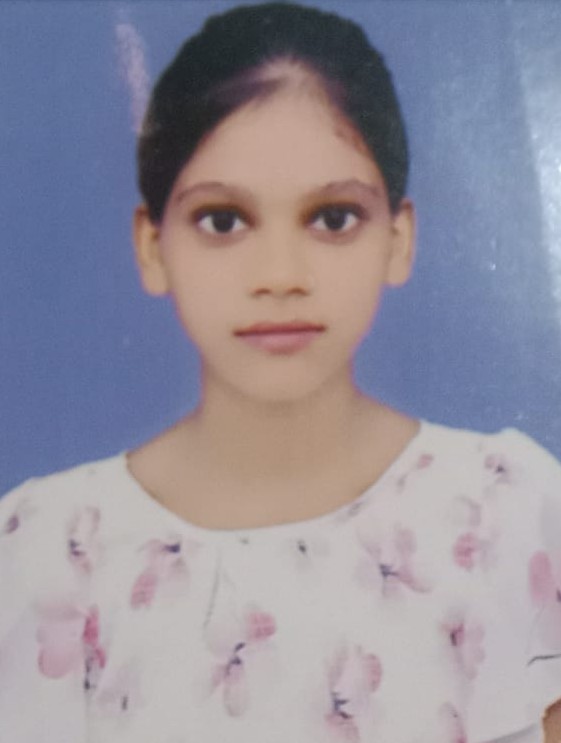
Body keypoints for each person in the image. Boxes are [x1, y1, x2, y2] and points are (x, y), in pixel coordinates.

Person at [1, 3, 560, 742]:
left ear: (398, 239)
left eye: (332, 218)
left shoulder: (508, 510)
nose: (279, 275)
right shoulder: (51, 550)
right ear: (152, 247)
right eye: (223, 220)